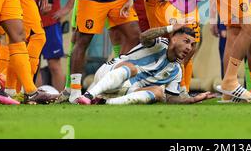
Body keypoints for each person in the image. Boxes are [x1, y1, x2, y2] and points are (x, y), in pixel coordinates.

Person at [76, 25, 215, 105]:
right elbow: (144, 37)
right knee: (132, 67)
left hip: (124, 90)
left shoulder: (176, 71)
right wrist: (170, 27)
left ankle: (105, 103)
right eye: (186, 41)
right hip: (107, 75)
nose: (189, 48)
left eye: (192, 45)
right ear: (173, 39)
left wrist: (193, 99)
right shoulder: (159, 44)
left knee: (159, 92)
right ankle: (89, 95)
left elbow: (171, 98)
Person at [40, 0, 77, 92]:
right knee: (31, 64)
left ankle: (60, 98)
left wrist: (67, 8)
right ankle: (32, 96)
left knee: (54, 64)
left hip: (51, 22)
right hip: (30, 20)